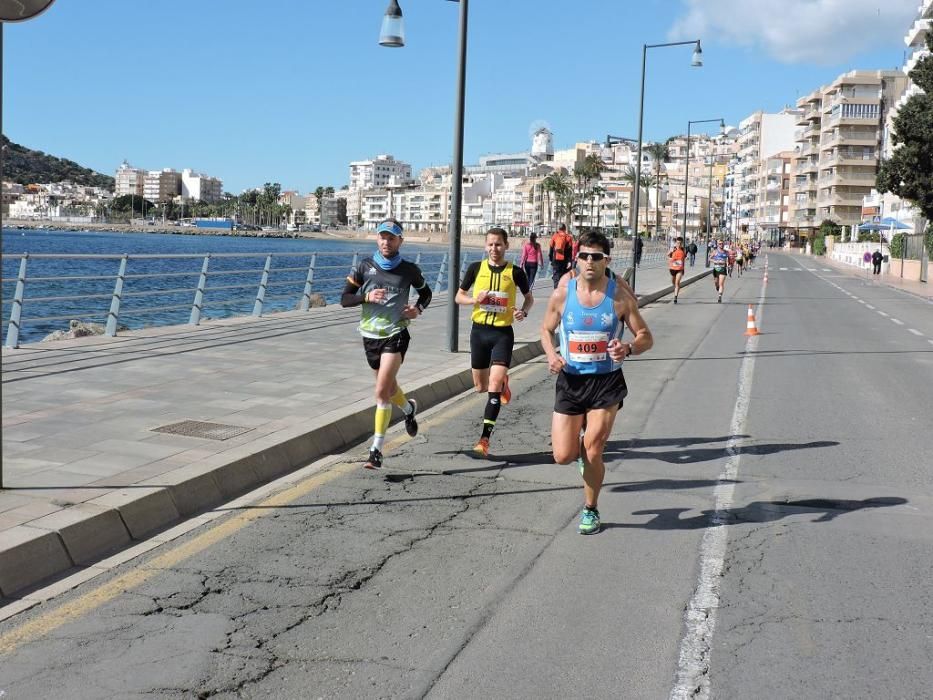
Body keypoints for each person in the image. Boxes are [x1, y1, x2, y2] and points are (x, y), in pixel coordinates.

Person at [541, 230, 653, 535]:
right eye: (585, 256)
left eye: (597, 257)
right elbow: (545, 330)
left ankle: (590, 509)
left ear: (607, 260)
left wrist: (628, 347)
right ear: (576, 259)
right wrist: (552, 355)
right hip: (571, 381)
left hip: (606, 383)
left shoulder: (619, 298)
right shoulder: (562, 295)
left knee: (593, 448)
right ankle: (582, 459)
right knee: (563, 455)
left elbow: (646, 337)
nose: (590, 262)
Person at [341, 218, 432, 470]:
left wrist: (417, 309)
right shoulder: (364, 266)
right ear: (377, 238)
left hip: (396, 333)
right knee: (390, 388)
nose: (386, 241)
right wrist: (366, 297)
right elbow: (344, 299)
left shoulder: (409, 270)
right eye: (382, 236)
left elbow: (426, 293)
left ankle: (376, 450)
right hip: (370, 336)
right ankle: (408, 409)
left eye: (391, 237)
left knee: (381, 392)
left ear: (400, 241)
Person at [456, 227, 534, 457]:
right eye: (490, 244)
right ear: (485, 246)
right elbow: (458, 296)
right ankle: (502, 383)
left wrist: (523, 312)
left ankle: (484, 439)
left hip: (502, 334)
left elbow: (529, 298)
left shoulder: (516, 272)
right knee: (480, 386)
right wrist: (473, 300)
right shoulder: (475, 269)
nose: (494, 248)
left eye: (498, 244)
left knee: (493, 386)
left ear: (507, 246)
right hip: (478, 332)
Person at [549, 223, 574, 288]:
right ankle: (563, 291)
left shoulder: (555, 236)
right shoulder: (568, 237)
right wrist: (569, 261)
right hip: (565, 260)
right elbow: (570, 251)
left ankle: (556, 290)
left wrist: (551, 259)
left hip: (556, 260)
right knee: (564, 276)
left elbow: (551, 249)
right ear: (565, 229)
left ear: (558, 229)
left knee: (556, 275)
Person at [668, 237, 687, 304]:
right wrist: (671, 252)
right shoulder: (673, 249)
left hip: (680, 269)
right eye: (677, 243)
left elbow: (685, 257)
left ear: (682, 244)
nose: (678, 244)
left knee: (677, 282)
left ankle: (675, 297)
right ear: (676, 243)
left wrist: (686, 258)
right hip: (673, 268)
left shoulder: (683, 250)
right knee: (673, 282)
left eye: (680, 243)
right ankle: (677, 287)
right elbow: (668, 255)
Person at [710, 239, 728, 303]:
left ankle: (720, 296)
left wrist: (728, 265)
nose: (721, 245)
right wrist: (715, 261)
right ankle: (717, 286)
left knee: (721, 283)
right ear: (717, 244)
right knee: (716, 282)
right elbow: (710, 258)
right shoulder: (715, 251)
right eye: (720, 243)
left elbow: (728, 259)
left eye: (722, 243)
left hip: (723, 269)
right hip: (716, 269)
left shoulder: (726, 252)